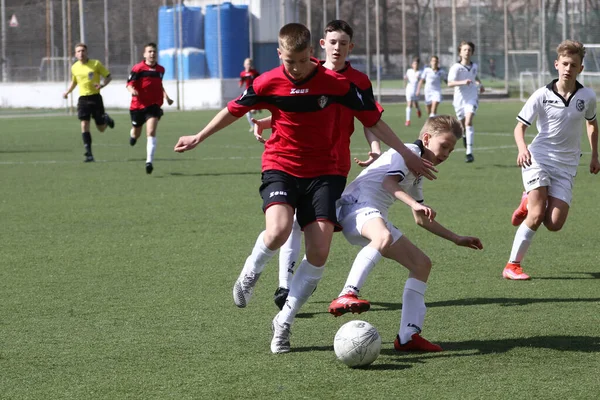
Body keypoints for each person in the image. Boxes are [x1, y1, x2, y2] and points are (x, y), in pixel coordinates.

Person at [174, 23, 435, 355]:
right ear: (279, 54)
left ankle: (283, 322)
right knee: (279, 231)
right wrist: (198, 136)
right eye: (289, 62)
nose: (295, 69)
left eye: (301, 61)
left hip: (326, 174)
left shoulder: (337, 84)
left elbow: (373, 120)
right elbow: (233, 110)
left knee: (320, 251)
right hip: (281, 165)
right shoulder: (267, 81)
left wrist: (407, 155)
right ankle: (251, 271)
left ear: (311, 54)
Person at [250, 20, 434, 311]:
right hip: (297, 162)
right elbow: (293, 110)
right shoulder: (303, 72)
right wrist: (267, 120)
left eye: (343, 43)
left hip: (332, 165)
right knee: (290, 221)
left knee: (305, 224)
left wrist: (375, 148)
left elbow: (369, 119)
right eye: (332, 42)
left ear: (351, 46)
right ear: (321, 45)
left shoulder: (357, 82)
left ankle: (291, 289)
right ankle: (284, 285)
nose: (337, 48)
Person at [329, 115, 483, 352]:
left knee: (421, 264)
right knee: (383, 236)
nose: (445, 154)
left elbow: (421, 220)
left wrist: (456, 238)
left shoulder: (419, 169)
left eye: (451, 151)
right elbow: (389, 184)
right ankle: (347, 293)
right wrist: (414, 203)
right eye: (444, 146)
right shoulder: (410, 151)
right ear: (426, 138)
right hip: (355, 207)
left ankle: (408, 335)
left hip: (372, 214)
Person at [503, 40, 598, 280]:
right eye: (564, 63)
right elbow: (519, 128)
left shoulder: (587, 96)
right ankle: (512, 266)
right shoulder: (541, 95)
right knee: (536, 216)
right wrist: (522, 148)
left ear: (581, 68)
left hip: (566, 165)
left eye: (573, 64)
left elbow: (592, 124)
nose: (568, 68)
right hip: (539, 158)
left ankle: (526, 200)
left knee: (554, 223)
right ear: (557, 64)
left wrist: (595, 155)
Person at [63, 43, 115, 162]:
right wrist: (67, 92)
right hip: (83, 99)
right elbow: (74, 82)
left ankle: (106, 120)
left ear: (86, 52)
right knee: (84, 124)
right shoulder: (74, 67)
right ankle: (89, 154)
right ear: (75, 54)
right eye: (78, 51)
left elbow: (108, 76)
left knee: (101, 128)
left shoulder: (95, 64)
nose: (81, 53)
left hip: (95, 98)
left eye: (83, 51)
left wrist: (101, 84)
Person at [126, 42, 174, 174]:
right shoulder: (138, 68)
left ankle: (149, 162)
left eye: (154, 52)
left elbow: (159, 86)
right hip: (137, 106)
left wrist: (166, 97)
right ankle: (133, 136)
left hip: (153, 106)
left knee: (151, 132)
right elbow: (129, 83)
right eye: (149, 52)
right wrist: (132, 90)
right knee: (137, 132)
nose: (152, 54)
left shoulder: (160, 70)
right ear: (144, 54)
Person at [447, 41, 484, 163]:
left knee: (468, 122)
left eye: (469, 50)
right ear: (460, 52)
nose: (467, 52)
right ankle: (464, 135)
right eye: (464, 50)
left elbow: (475, 77)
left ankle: (469, 152)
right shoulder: (456, 68)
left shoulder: (474, 66)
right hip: (459, 100)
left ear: (472, 52)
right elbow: (449, 83)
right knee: (462, 125)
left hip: (472, 98)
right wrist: (463, 82)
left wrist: (480, 84)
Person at [239, 58, 261, 132]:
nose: (248, 65)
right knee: (248, 112)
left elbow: (259, 79)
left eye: (250, 64)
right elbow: (242, 80)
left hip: (255, 92)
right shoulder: (243, 73)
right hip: (247, 93)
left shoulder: (254, 72)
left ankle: (256, 108)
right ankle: (253, 126)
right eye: (247, 64)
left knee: (252, 110)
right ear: (244, 65)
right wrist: (240, 84)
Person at [404, 57, 422, 126]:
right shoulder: (409, 71)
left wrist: (418, 90)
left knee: (415, 104)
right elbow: (406, 78)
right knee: (409, 104)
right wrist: (405, 80)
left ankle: (418, 110)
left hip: (416, 90)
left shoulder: (420, 72)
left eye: (417, 64)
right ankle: (408, 120)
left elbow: (421, 82)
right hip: (409, 90)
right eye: (414, 64)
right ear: (412, 65)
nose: (415, 65)